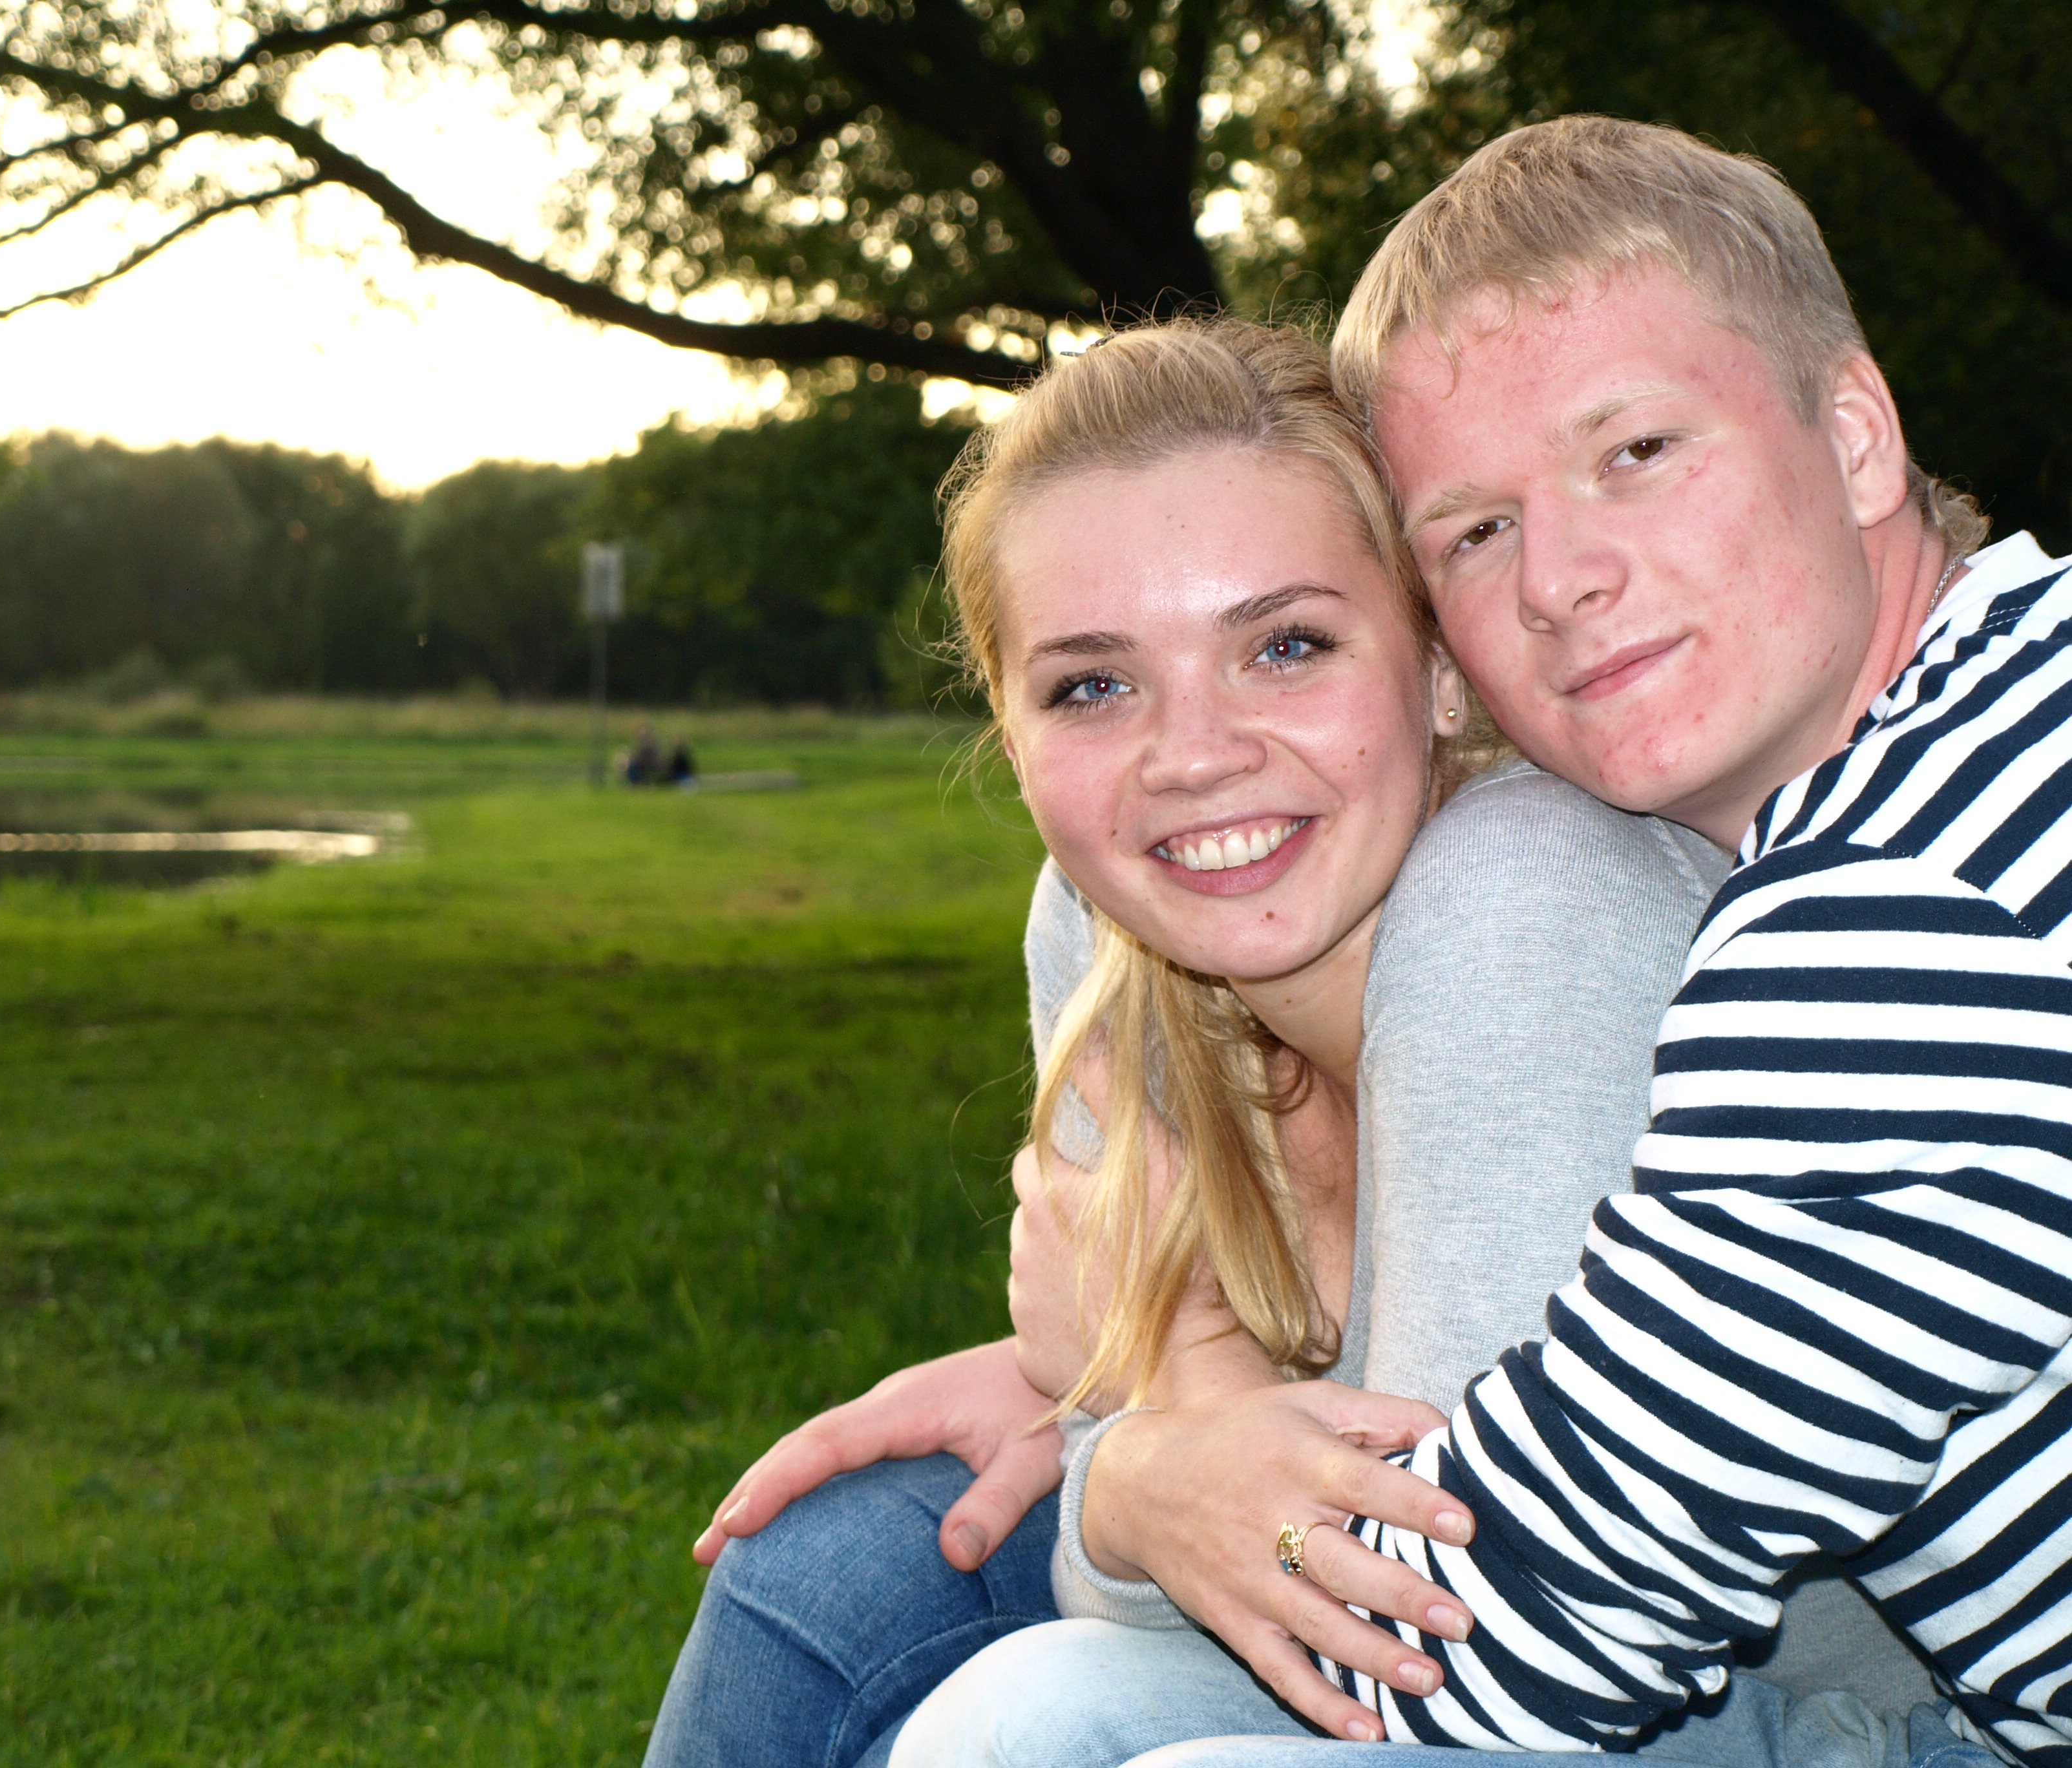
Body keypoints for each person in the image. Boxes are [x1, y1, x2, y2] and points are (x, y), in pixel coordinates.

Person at [887, 116, 2072, 1768]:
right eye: (1477, 532)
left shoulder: (1894, 918)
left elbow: (1487, 1649)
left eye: (1636, 452)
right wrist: (1144, 1448)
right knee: (993, 1685)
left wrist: (1162, 1413)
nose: (1565, 579)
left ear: (1857, 436)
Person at [644, 306, 1830, 1767]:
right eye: (1092, 687)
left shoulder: (1535, 900)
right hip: (1459, 1650)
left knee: (1029, 1728)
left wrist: (1157, 1393)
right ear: (1010, 738)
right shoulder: (1112, 934)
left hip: (1767, 1703)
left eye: (1285, 646)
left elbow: (1429, 1613)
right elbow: (1172, 1525)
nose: (1194, 757)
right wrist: (1129, 1431)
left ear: (1440, 666)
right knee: (825, 1569)